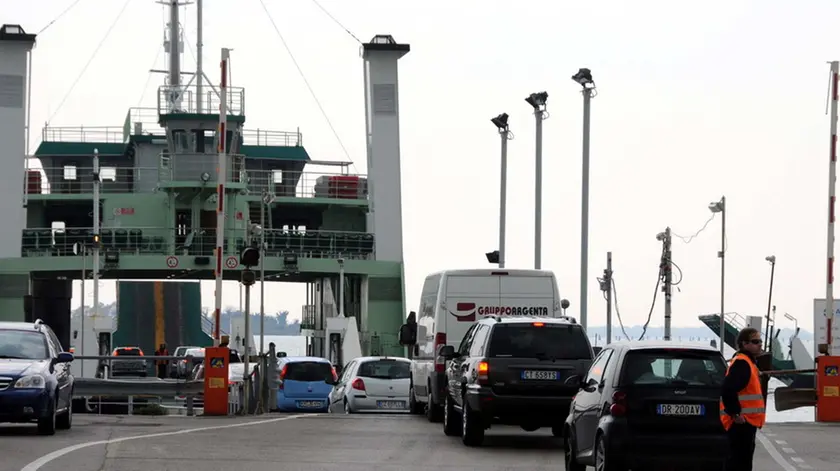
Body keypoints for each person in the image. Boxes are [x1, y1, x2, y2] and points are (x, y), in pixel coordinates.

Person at [720, 327, 766, 471]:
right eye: (755, 341)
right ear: (744, 344)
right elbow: (728, 389)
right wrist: (735, 414)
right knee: (739, 462)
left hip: (746, 422)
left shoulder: (748, 362)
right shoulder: (742, 363)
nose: (760, 344)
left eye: (760, 341)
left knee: (740, 461)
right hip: (741, 423)